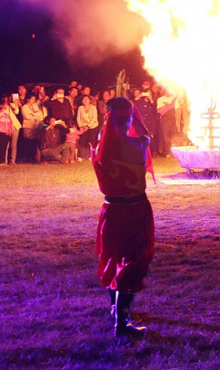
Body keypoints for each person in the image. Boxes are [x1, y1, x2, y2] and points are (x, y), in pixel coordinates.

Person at [93, 97, 154, 338]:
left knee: (112, 257)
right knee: (134, 261)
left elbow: (107, 132)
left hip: (111, 209)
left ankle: (114, 308)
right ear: (129, 119)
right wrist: (134, 115)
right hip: (135, 209)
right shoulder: (137, 144)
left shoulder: (101, 147)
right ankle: (123, 321)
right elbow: (146, 133)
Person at [77, 95, 99, 161]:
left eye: (87, 99)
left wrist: (88, 126)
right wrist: (80, 126)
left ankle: (91, 155)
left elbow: (94, 118)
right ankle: (80, 156)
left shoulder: (93, 107)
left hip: (93, 126)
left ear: (89, 100)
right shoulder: (80, 108)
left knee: (92, 141)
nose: (85, 101)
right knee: (82, 141)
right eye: (84, 99)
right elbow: (78, 118)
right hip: (83, 127)